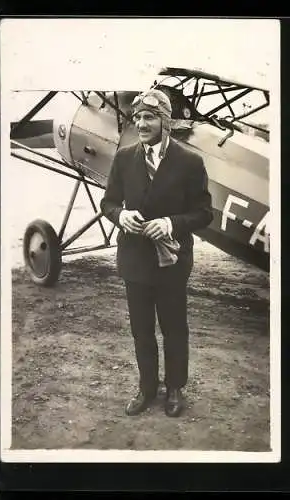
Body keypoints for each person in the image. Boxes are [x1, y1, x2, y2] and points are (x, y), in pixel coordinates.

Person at [100, 88, 213, 417]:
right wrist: (119, 216)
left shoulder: (190, 161)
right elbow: (108, 202)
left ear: (165, 120)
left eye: (149, 117)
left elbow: (205, 213)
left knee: (175, 327)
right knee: (141, 330)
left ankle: (175, 388)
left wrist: (171, 223)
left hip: (172, 262)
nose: (141, 123)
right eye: (137, 117)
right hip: (135, 260)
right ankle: (146, 388)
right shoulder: (124, 158)